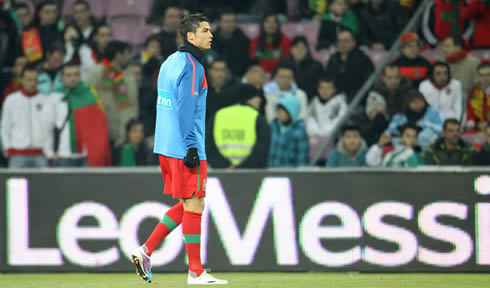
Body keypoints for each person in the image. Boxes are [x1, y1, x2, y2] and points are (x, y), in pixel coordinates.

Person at [130, 14, 227, 285]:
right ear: (191, 37)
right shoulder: (194, 67)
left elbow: (166, 104)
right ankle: (195, 271)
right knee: (195, 203)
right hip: (185, 145)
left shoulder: (169, 62)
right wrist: (192, 147)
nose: (211, 35)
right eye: (205, 31)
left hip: (165, 144)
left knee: (189, 202)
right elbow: (185, 109)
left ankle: (145, 250)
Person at [45, 62, 111, 167]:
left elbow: (99, 125)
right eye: (69, 75)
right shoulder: (55, 97)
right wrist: (49, 152)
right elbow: (47, 126)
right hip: (63, 155)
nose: (73, 78)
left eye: (76, 74)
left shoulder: (89, 93)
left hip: (86, 155)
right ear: (62, 77)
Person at [86, 41, 139, 148]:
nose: (128, 58)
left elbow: (133, 105)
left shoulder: (128, 77)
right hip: (100, 131)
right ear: (118, 55)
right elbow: (88, 100)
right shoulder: (95, 73)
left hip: (122, 133)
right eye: (126, 54)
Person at [206, 84, 270, 169]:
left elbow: (208, 145)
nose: (260, 100)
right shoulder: (257, 118)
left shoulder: (218, 115)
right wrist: (242, 167)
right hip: (251, 173)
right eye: (256, 96)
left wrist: (225, 165)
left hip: (221, 172)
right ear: (248, 98)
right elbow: (262, 148)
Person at [1, 64, 51, 168]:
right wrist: (8, 148)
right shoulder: (11, 100)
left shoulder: (46, 100)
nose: (33, 83)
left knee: (43, 184)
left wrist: (49, 150)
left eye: (35, 80)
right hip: (17, 154)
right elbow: (5, 127)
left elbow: (49, 128)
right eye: (29, 80)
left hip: (40, 154)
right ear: (22, 80)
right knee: (16, 184)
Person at [324, 29, 374, 102]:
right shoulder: (333, 60)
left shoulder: (363, 61)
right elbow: (327, 81)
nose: (342, 44)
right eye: (340, 41)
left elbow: (367, 86)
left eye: (346, 41)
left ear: (353, 43)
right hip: (334, 101)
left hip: (357, 102)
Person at [268, 95, 309, 167]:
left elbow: (302, 157)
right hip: (272, 172)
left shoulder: (299, 131)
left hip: (290, 173)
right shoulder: (273, 127)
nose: (280, 113)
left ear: (292, 112)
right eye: (279, 110)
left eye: (283, 111)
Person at [210, 9, 250, 77]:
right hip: (215, 74)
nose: (230, 24)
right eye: (227, 22)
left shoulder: (243, 39)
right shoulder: (210, 39)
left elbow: (244, 62)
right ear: (220, 23)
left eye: (233, 21)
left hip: (238, 75)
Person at [283, 36, 324, 101]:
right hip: (287, 100)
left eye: (303, 47)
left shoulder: (316, 66)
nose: (299, 50)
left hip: (311, 101)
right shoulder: (284, 65)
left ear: (307, 50)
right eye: (296, 47)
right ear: (291, 49)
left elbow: (321, 87)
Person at [466, 62, 490, 133]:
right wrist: (473, 123)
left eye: (488, 75)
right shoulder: (472, 91)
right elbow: (470, 111)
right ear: (478, 77)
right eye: (482, 75)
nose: (485, 78)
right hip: (478, 126)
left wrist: (488, 124)